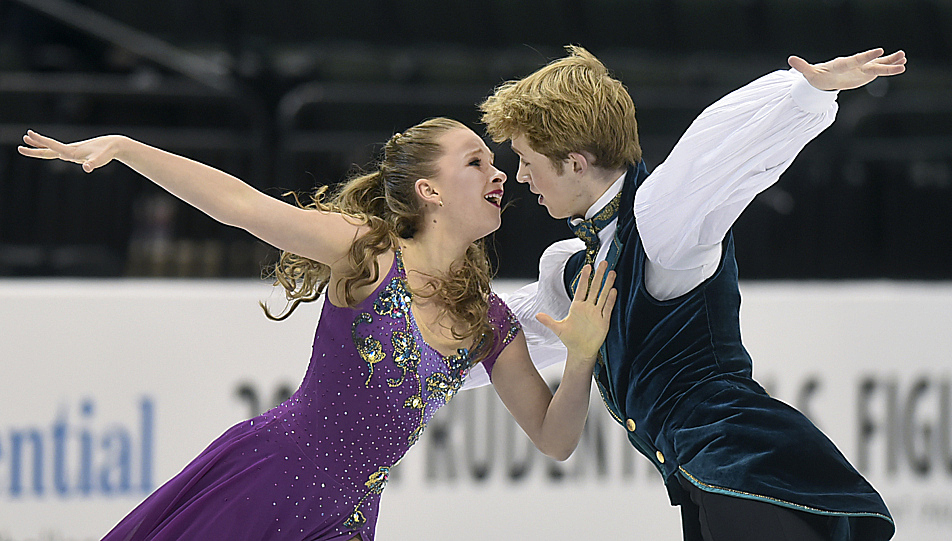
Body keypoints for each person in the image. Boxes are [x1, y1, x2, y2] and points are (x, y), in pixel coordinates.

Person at [17, 118, 617, 541]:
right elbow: (242, 207)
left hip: (345, 520)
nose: (500, 173)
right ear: (429, 190)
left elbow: (554, 438)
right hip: (268, 479)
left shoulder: (486, 320)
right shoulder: (371, 253)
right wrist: (126, 148)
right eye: (476, 161)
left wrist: (582, 356)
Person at [477, 47, 906, 541]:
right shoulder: (577, 269)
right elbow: (496, 337)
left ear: (575, 163)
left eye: (527, 160)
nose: (521, 176)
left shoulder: (660, 220)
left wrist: (805, 94)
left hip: (750, 474)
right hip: (710, 485)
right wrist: (409, 355)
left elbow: (717, 154)